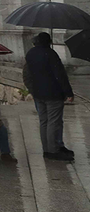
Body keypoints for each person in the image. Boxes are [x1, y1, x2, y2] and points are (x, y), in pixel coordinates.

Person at [24, 32, 75, 161]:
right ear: (49, 42)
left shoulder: (30, 54)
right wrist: (68, 92)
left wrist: (32, 90)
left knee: (44, 121)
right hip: (53, 93)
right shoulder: (51, 54)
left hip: (38, 93)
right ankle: (53, 150)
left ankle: (47, 148)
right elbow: (60, 75)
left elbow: (27, 74)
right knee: (54, 121)